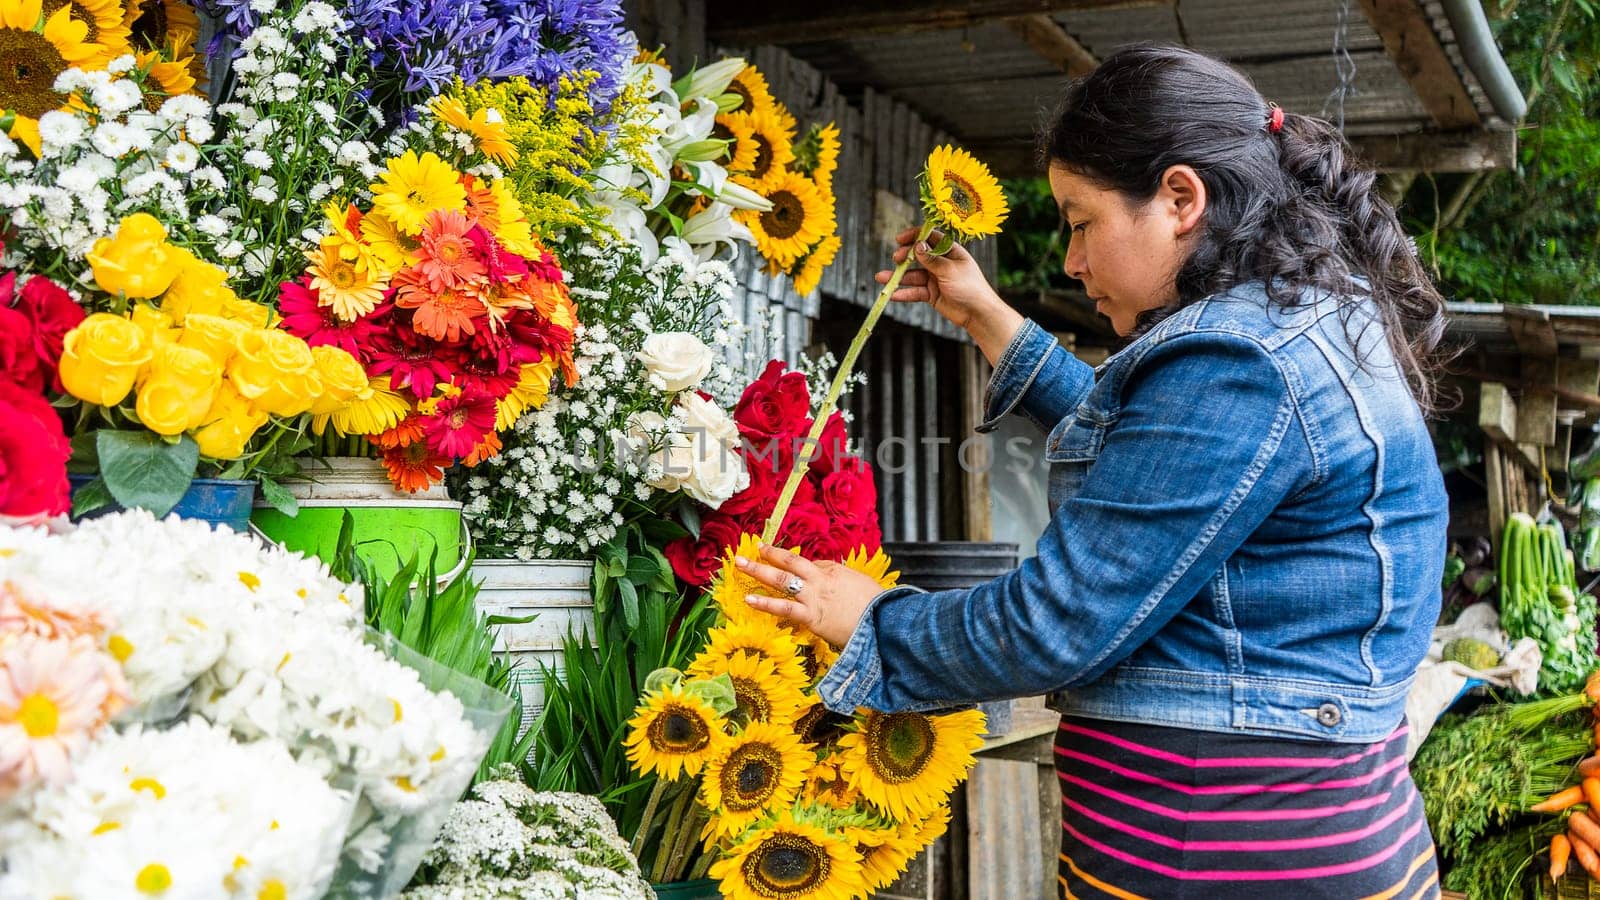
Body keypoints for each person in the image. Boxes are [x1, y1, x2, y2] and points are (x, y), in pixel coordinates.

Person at [735, 44, 1449, 899]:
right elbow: (1160, 466)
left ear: (1181, 198)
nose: (1071, 261)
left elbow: (1059, 620)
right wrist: (990, 319)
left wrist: (873, 622)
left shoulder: (1240, 362)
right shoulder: (1299, 325)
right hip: (1283, 837)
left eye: (1080, 222)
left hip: (1224, 853)